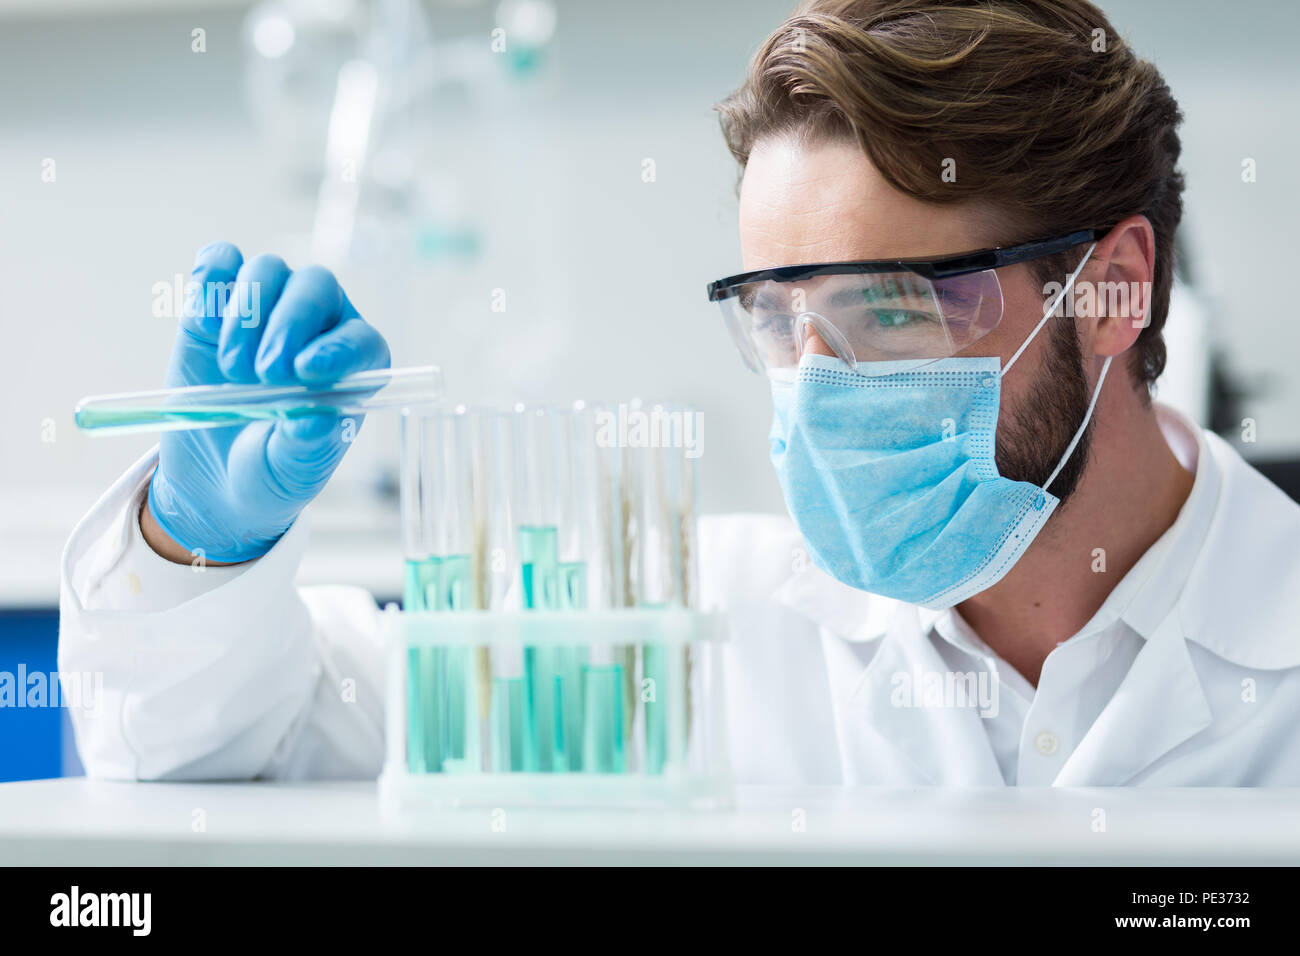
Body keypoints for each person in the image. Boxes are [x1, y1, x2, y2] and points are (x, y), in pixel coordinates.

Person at [59, 0, 1300, 785]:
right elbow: (232, 745)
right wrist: (196, 541)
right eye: (777, 317)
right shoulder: (679, 631)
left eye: (894, 307)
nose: (818, 392)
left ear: (1112, 289)